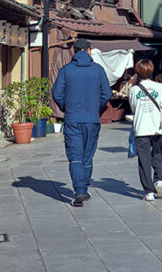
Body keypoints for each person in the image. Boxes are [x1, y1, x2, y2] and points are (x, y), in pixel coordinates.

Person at [52, 37, 111, 207]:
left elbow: (57, 93)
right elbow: (106, 94)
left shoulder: (66, 70)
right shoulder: (98, 70)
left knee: (75, 156)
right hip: (92, 119)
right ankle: (83, 189)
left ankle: (79, 191)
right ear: (88, 50)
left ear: (75, 51)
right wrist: (95, 107)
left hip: (72, 118)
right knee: (87, 155)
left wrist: (66, 107)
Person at [129, 59, 162, 201]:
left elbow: (134, 108)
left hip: (142, 128)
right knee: (158, 154)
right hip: (159, 128)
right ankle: (159, 181)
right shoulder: (161, 88)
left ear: (138, 72)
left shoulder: (134, 90)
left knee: (144, 159)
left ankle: (148, 191)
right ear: (152, 70)